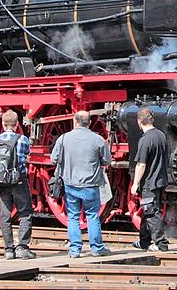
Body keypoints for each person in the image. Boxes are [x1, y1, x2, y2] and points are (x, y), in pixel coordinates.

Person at [51, 111, 113, 258]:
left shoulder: (64, 138)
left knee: (73, 217)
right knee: (92, 216)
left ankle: (75, 250)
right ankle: (97, 248)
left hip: (71, 184)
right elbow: (107, 161)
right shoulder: (98, 139)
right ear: (89, 122)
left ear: (75, 121)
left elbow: (54, 159)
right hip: (91, 185)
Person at [0, 110, 36, 260]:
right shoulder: (22, 139)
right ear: (17, 124)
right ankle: (22, 247)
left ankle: (8, 250)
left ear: (3, 124)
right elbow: (27, 153)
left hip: (2, 180)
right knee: (25, 212)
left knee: (5, 215)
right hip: (18, 180)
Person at [130, 108, 170, 252]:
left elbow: (141, 164)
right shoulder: (161, 135)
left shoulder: (145, 139)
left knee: (152, 212)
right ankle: (144, 241)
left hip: (149, 182)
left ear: (139, 122)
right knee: (148, 211)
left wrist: (135, 183)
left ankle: (161, 244)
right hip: (160, 179)